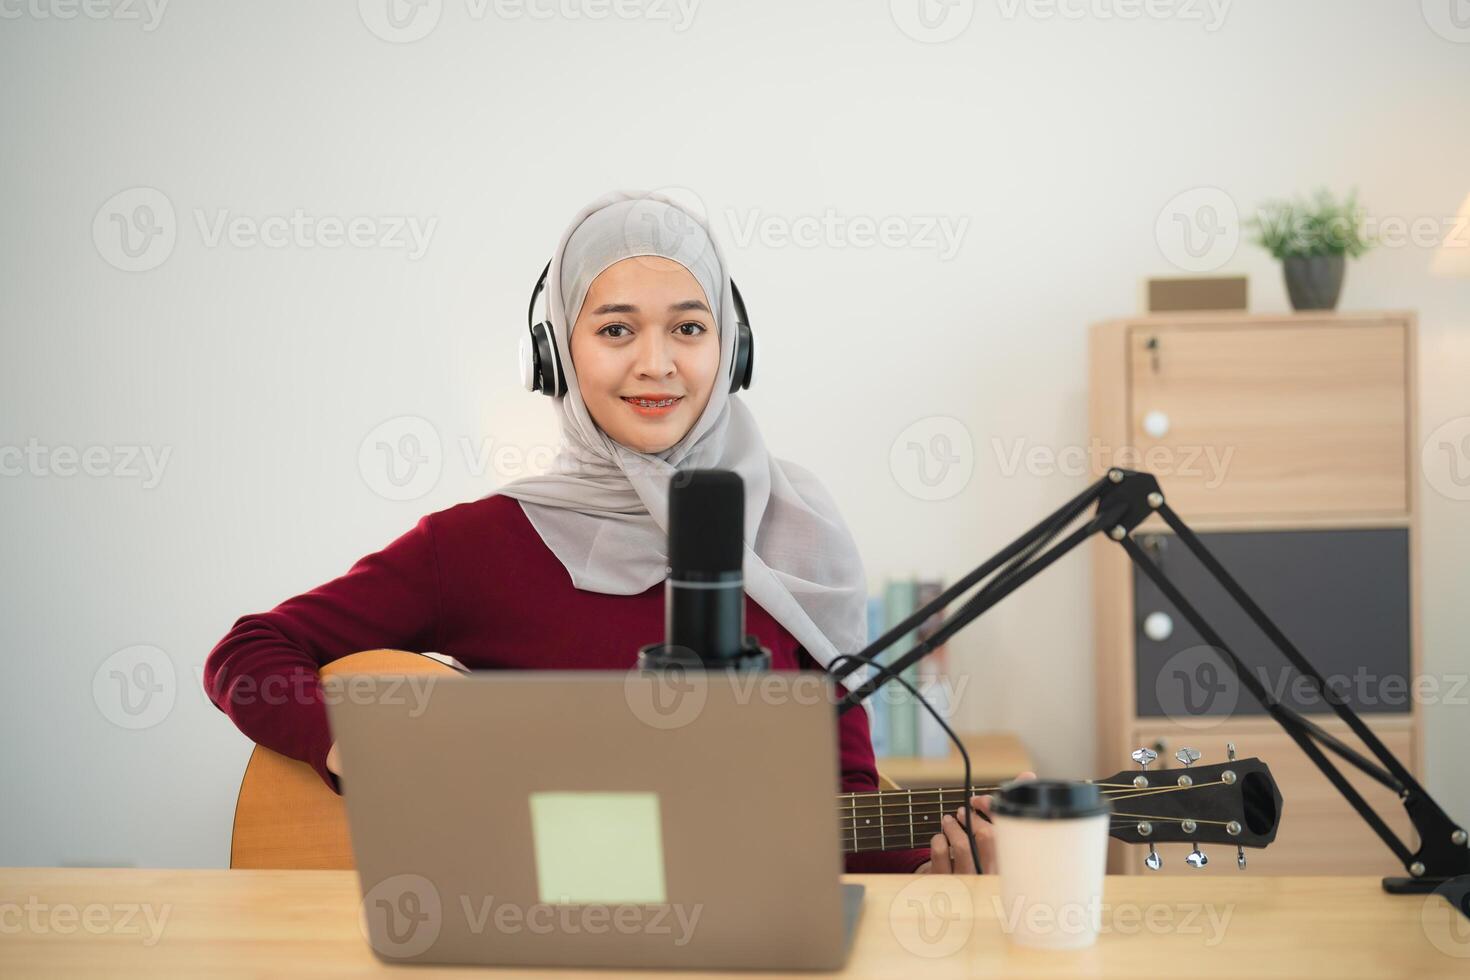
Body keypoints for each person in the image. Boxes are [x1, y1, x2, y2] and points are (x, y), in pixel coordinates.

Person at [203, 189, 1030, 874]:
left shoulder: (794, 539)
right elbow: (249, 654)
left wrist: (940, 870)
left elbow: (839, 809)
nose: (656, 363)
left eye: (689, 327)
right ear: (557, 352)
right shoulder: (476, 547)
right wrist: (357, 749)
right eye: (615, 329)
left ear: (731, 349)